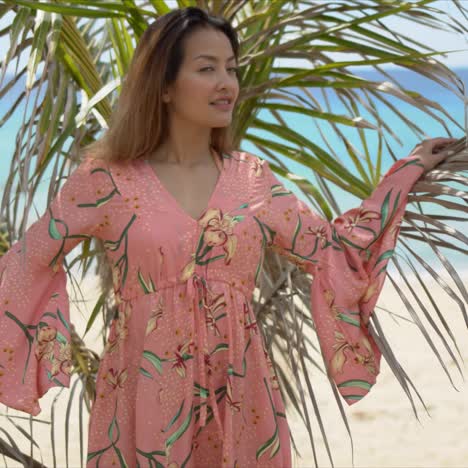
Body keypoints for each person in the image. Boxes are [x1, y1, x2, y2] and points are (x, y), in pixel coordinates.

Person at [0, 6, 458, 468]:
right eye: (207, 68)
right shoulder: (107, 180)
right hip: (143, 403)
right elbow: (25, 263)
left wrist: (406, 173)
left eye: (231, 69)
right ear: (163, 85)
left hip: (242, 399)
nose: (227, 83)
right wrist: (44, 352)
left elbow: (337, 253)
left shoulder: (251, 179)